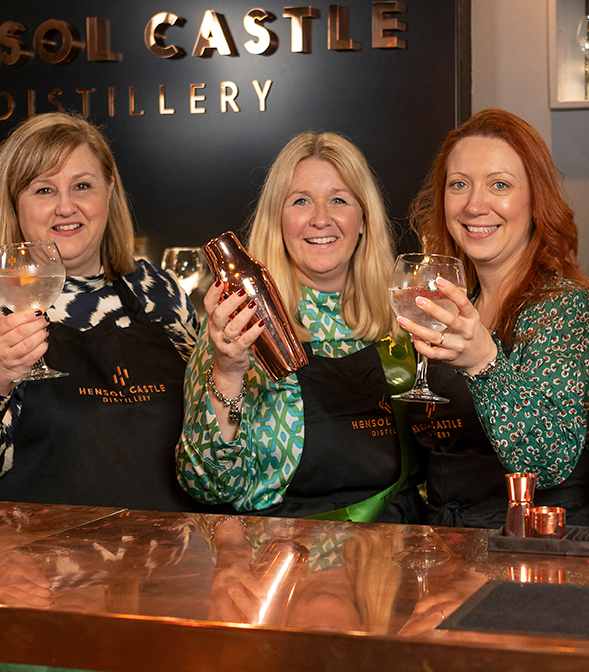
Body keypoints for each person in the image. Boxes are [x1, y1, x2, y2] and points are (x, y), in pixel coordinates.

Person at [0, 112, 199, 508]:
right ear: (14, 203)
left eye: (82, 186)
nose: (66, 207)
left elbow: (206, 439)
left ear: (109, 191)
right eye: (43, 190)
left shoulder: (159, 292)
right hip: (46, 562)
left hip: (170, 563)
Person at [176, 132, 416, 522]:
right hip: (285, 560)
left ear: (363, 219)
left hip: (393, 557)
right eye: (301, 201)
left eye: (339, 199)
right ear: (278, 219)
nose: (321, 218)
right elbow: (208, 485)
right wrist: (227, 371)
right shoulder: (240, 321)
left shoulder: (402, 319)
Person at [398, 110, 589, 526]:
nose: (474, 205)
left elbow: (549, 461)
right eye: (459, 185)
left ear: (536, 200)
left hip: (538, 549)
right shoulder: (455, 304)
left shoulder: (567, 308)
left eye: (499, 185)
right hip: (449, 542)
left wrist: (486, 362)